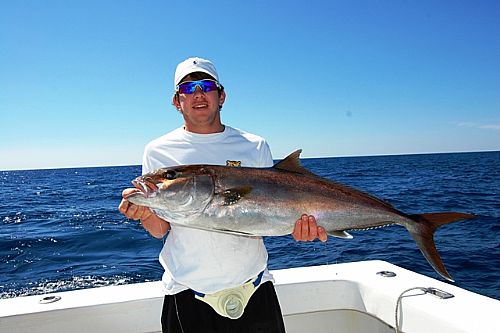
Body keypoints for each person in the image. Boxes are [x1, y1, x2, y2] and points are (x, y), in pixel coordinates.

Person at [118, 57, 328, 333]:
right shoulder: (158, 151)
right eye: (188, 89)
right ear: (176, 101)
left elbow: (268, 212)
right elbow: (160, 230)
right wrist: (144, 212)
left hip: (254, 287)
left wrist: (300, 228)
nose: (198, 94)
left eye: (206, 85)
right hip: (188, 292)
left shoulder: (253, 145)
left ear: (222, 96)